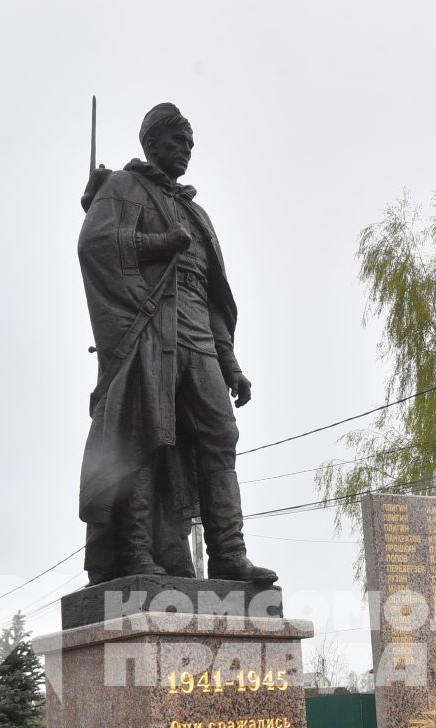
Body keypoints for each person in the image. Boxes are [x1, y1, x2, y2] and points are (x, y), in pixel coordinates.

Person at [74, 103, 276, 588]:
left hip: (200, 338)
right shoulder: (123, 187)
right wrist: (161, 244)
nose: (185, 151)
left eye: (190, 144)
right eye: (176, 142)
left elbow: (210, 293)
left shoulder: (195, 211)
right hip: (148, 332)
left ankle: (229, 554)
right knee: (146, 436)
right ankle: (136, 553)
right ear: (151, 144)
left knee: (220, 437)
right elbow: (95, 245)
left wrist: (230, 364)